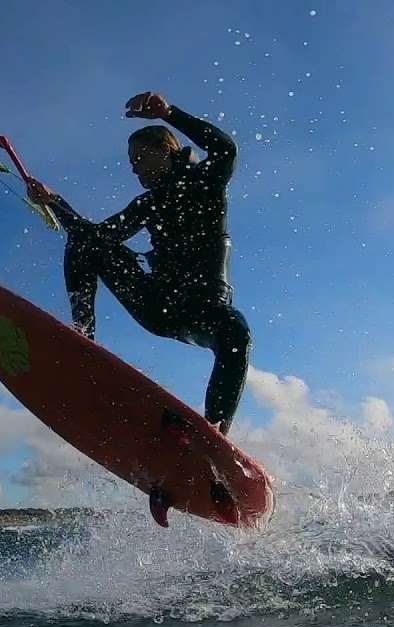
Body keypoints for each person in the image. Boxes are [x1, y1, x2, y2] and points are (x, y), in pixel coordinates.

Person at [24, 91, 252, 438]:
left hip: (204, 306)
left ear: (166, 149)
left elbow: (226, 149)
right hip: (160, 304)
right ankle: (83, 339)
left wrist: (169, 113)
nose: (134, 168)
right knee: (84, 242)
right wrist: (54, 201)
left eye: (140, 158)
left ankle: (214, 433)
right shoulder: (148, 203)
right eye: (131, 163)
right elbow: (96, 237)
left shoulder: (206, 181)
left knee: (235, 334)